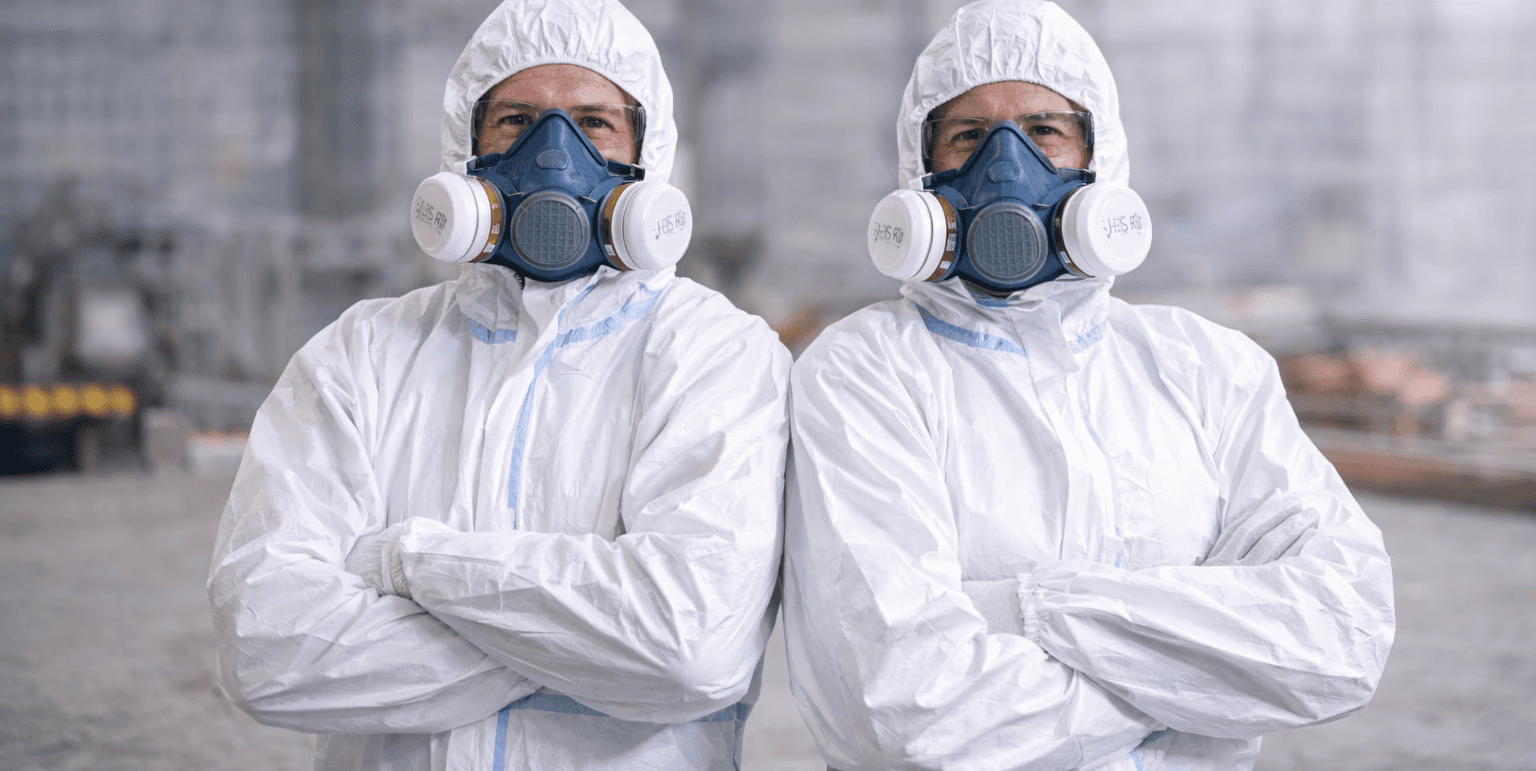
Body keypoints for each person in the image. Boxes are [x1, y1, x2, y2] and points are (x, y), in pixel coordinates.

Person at [781, 2, 1395, 769]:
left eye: (1044, 131)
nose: (1007, 169)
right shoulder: (861, 371)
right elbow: (912, 713)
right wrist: (1198, 692)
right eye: (968, 137)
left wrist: (1026, 608)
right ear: (921, 171)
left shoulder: (1208, 366)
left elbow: (1343, 635)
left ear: (1099, 158)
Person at [207, 1, 790, 769]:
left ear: (647, 157)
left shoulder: (714, 353)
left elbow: (689, 646)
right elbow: (266, 648)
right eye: (517, 121)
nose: (555, 157)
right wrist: (587, 649)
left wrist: (404, 564)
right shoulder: (360, 355)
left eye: (594, 122)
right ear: (465, 151)